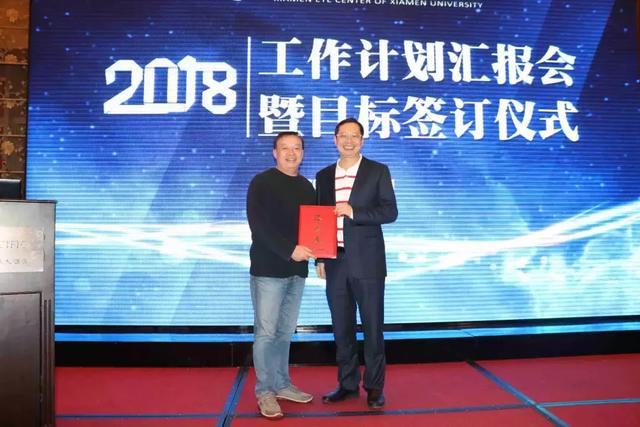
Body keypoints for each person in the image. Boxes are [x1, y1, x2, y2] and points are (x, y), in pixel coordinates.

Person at [315, 118, 398, 409]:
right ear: (335, 139)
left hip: (368, 262)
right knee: (342, 328)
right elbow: (320, 219)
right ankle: (347, 384)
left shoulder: (377, 171)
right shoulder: (324, 175)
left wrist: (353, 211)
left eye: (354, 136)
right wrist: (320, 257)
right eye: (343, 136)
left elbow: (390, 212)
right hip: (335, 261)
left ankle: (374, 387)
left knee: (373, 327)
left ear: (362, 140)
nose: (348, 141)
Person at [246, 131, 316, 419]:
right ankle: (265, 391)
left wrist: (320, 255)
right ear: (275, 152)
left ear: (303, 153)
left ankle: (282, 384)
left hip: (297, 271)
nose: (291, 153)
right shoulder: (261, 182)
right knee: (266, 333)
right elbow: (259, 227)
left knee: (285, 331)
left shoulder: (307, 187)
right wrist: (290, 250)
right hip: (268, 270)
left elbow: (315, 229)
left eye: (296, 148)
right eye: (285, 148)